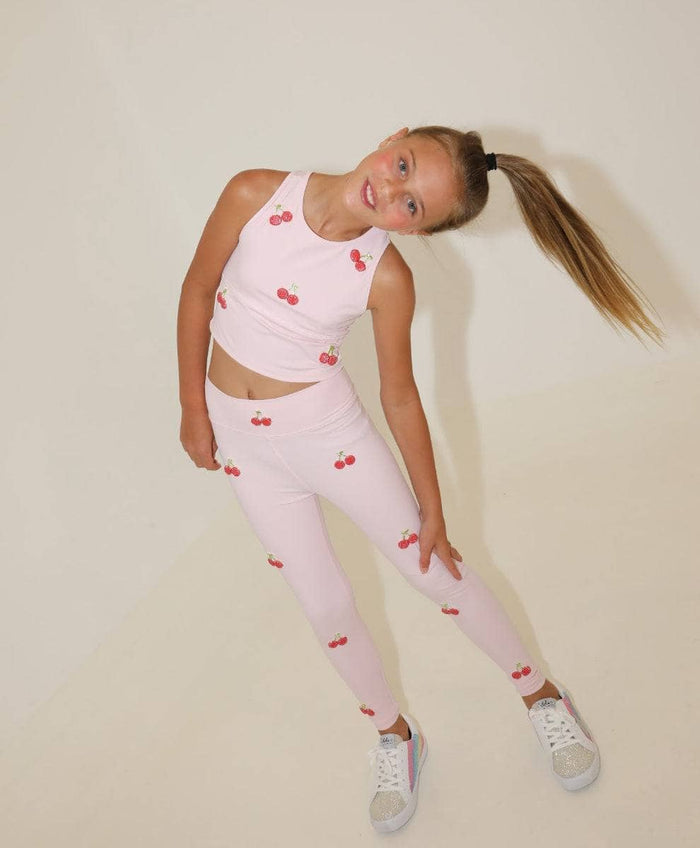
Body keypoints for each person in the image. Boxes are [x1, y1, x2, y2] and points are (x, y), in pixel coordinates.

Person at [176, 125, 662, 832]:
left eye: (412, 206)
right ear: (392, 138)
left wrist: (432, 509)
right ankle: (394, 735)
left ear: (418, 230)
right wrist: (194, 408)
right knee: (324, 606)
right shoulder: (254, 193)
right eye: (402, 166)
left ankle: (542, 696)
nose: (391, 191)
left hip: (329, 439)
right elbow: (198, 290)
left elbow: (399, 396)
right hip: (245, 448)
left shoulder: (385, 278)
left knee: (436, 574)